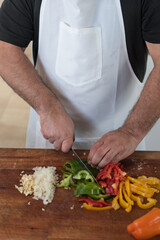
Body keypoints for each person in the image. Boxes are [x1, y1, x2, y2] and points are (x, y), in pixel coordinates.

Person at [0, 0, 160, 169]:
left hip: (121, 147)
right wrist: (47, 108)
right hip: (49, 140)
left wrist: (131, 132)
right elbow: (4, 48)